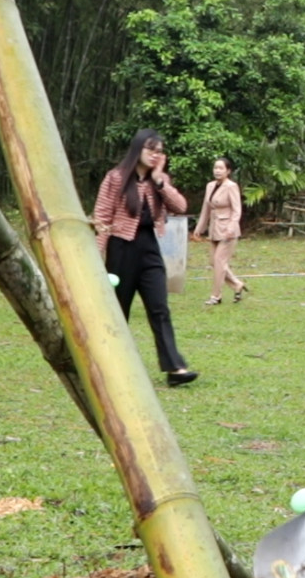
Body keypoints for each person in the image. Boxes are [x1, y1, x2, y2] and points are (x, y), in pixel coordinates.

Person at [93, 129, 199, 386]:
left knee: (159, 307)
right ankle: (109, 365)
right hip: (121, 247)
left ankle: (175, 368)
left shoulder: (158, 180)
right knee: (118, 310)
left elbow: (180, 207)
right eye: (150, 150)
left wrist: (160, 180)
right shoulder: (116, 177)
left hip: (149, 247)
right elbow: (102, 217)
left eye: (159, 152)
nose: (155, 155)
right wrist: (96, 255)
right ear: (137, 149)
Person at [193, 156, 247, 305]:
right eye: (215, 168)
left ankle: (215, 296)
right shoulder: (210, 186)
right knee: (214, 262)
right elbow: (206, 208)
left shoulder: (231, 186)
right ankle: (237, 284)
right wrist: (199, 227)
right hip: (214, 229)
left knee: (219, 261)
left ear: (228, 171)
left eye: (221, 168)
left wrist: (231, 227)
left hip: (228, 230)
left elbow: (237, 210)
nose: (217, 171)